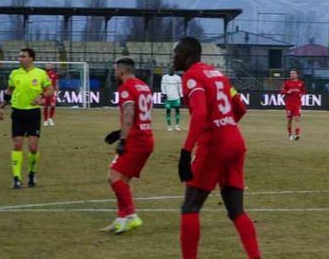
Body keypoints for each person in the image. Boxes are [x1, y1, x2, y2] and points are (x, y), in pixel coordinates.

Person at [173, 37, 261, 259]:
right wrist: (226, 126)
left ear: (187, 55)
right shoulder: (219, 75)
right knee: (236, 211)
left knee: (190, 208)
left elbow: (201, 114)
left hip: (214, 145)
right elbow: (240, 107)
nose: (174, 58)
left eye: (177, 53)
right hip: (235, 142)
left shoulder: (192, 76)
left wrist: (185, 152)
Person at [101, 57, 155, 234]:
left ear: (122, 70)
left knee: (113, 177)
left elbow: (130, 112)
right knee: (123, 181)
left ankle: (132, 215)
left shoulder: (126, 88)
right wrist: (120, 132)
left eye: (116, 69)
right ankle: (120, 220)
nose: (115, 73)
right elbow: (140, 114)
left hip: (135, 140)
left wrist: (123, 140)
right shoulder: (143, 86)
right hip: (146, 137)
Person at [0, 48, 54, 189]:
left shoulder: (40, 74)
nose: (20, 58)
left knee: (33, 148)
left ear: (31, 58)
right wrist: (2, 106)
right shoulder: (15, 74)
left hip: (33, 113)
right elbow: (9, 90)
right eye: (19, 56)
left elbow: (50, 90)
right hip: (17, 113)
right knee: (17, 145)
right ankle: (16, 178)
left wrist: (42, 97)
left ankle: (32, 173)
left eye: (23, 56)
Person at [281, 69, 306, 140]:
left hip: (297, 103)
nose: (291, 75)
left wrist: (301, 94)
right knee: (289, 120)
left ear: (297, 75)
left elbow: (303, 90)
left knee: (297, 119)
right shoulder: (287, 83)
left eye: (293, 73)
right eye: (291, 73)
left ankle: (297, 134)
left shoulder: (301, 83)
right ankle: (289, 134)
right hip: (289, 104)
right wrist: (288, 92)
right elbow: (282, 91)